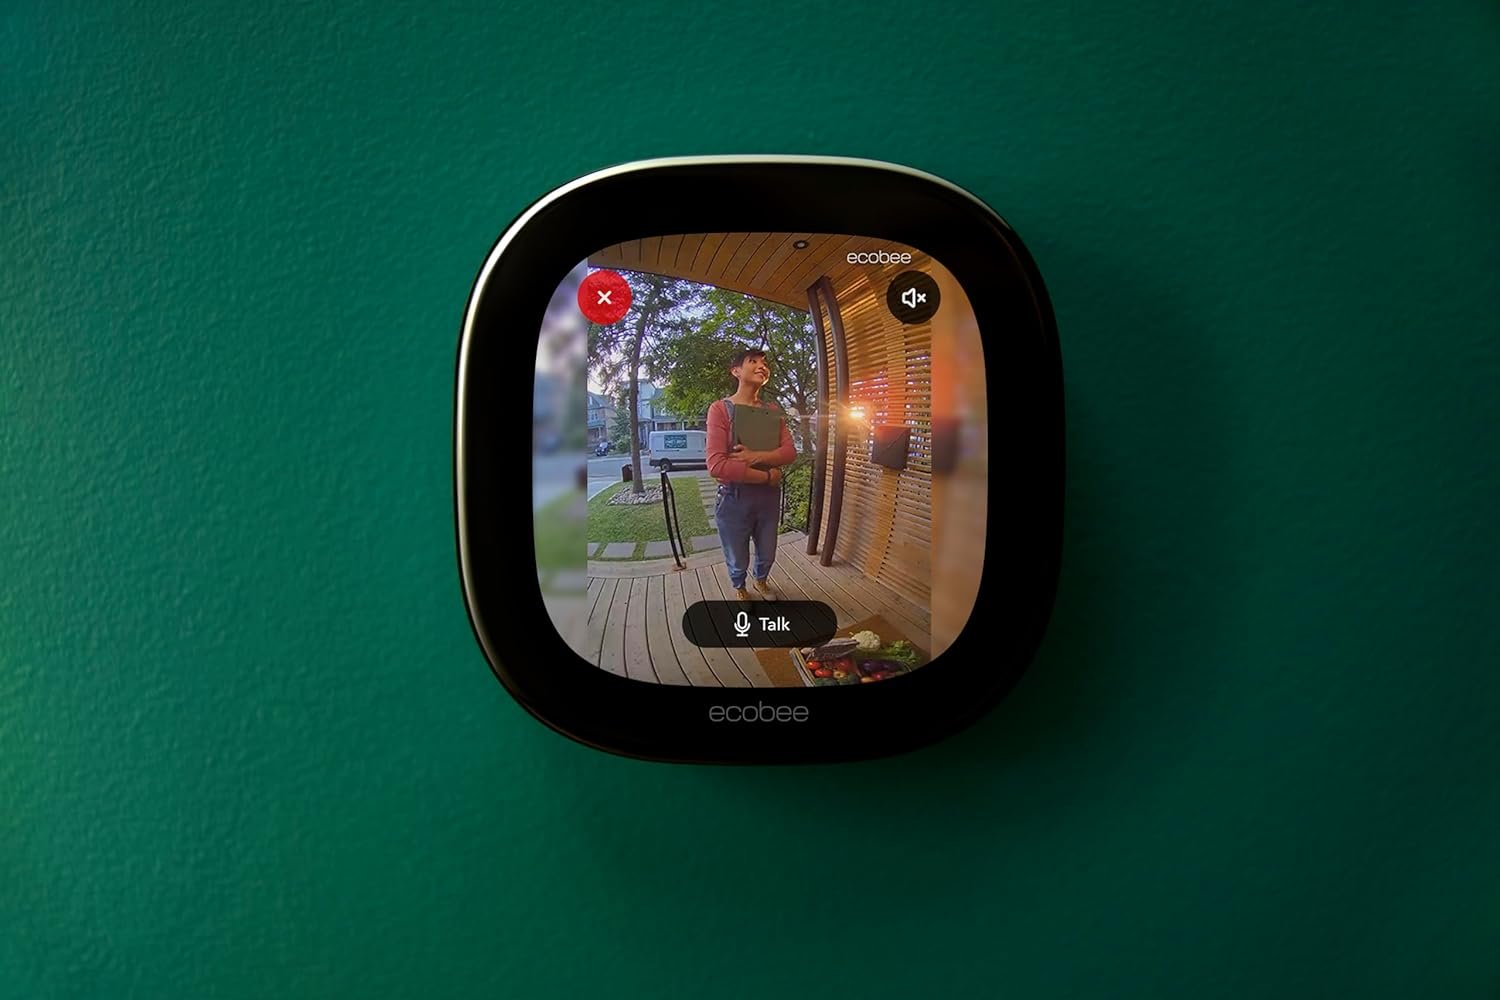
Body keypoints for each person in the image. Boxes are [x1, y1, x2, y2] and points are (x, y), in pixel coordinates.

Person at [705, 348, 797, 601]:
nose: (762, 366)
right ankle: (740, 587)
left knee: (768, 551)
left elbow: (790, 452)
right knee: (737, 555)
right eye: (753, 361)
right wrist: (767, 476)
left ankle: (761, 580)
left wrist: (755, 456)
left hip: (768, 498)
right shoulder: (720, 410)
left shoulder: (772, 410)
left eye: (764, 363)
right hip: (734, 497)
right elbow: (717, 466)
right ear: (736, 371)